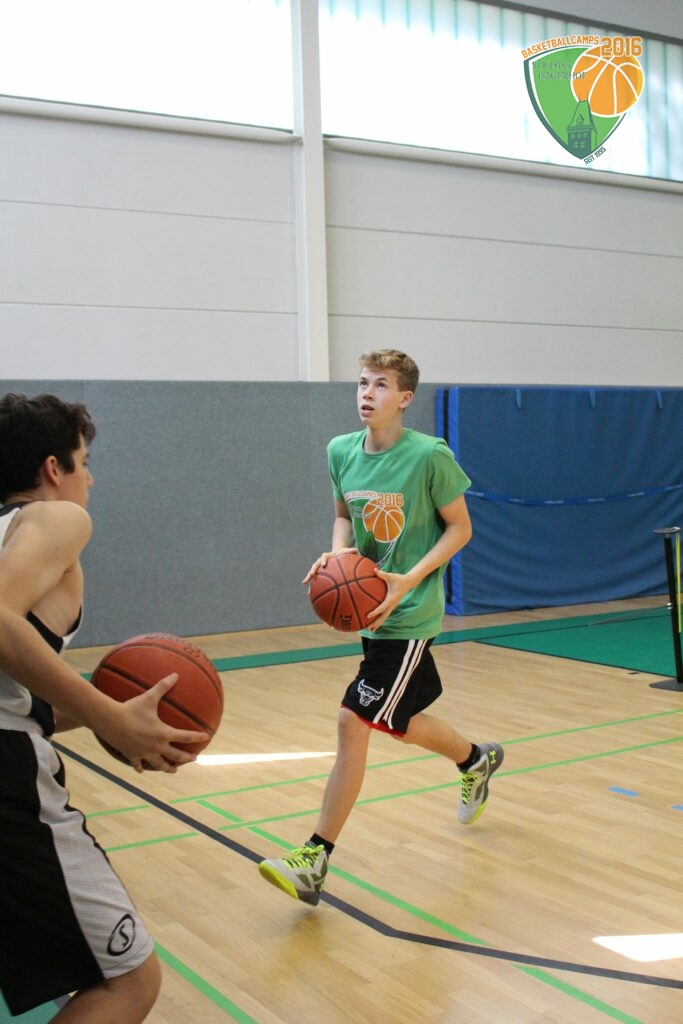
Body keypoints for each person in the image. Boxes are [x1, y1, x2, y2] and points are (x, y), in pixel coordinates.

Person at [258, 350, 503, 906]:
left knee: (354, 721)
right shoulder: (340, 451)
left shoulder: (429, 456)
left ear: (405, 398)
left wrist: (409, 580)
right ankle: (474, 758)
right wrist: (338, 556)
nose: (367, 393)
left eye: (382, 385)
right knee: (399, 721)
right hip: (371, 610)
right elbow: (344, 516)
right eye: (363, 383)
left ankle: (314, 859)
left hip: (409, 614)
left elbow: (460, 528)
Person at [0, 393, 209, 1022]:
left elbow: (15, 695)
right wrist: (109, 715)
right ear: (52, 469)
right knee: (128, 981)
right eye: (84, 462)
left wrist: (108, 708)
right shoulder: (58, 517)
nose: (89, 479)